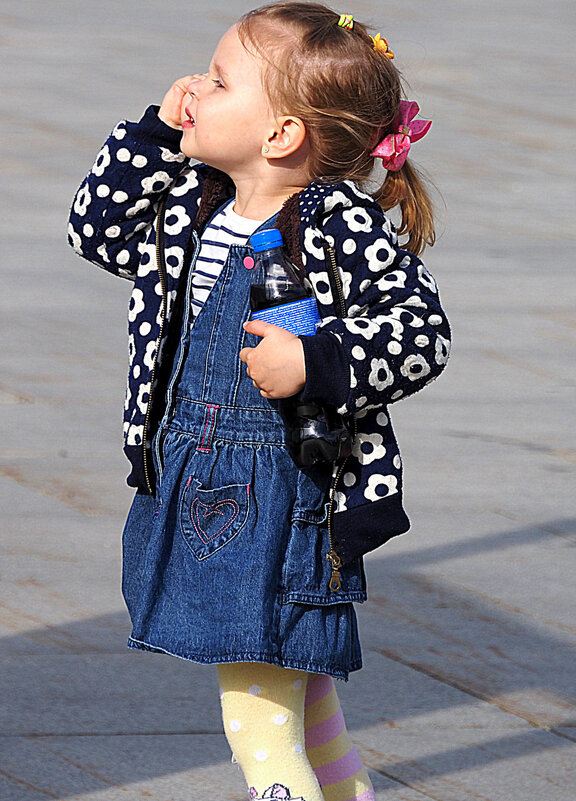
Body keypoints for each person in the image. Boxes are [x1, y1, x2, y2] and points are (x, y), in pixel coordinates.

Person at [66, 4, 451, 799]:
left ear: (280, 135)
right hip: (193, 469)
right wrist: (150, 131)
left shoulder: (335, 222)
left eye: (217, 80)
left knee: (257, 721)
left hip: (285, 493)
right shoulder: (191, 200)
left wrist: (316, 358)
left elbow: (420, 329)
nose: (193, 90)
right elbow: (94, 228)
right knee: (305, 707)